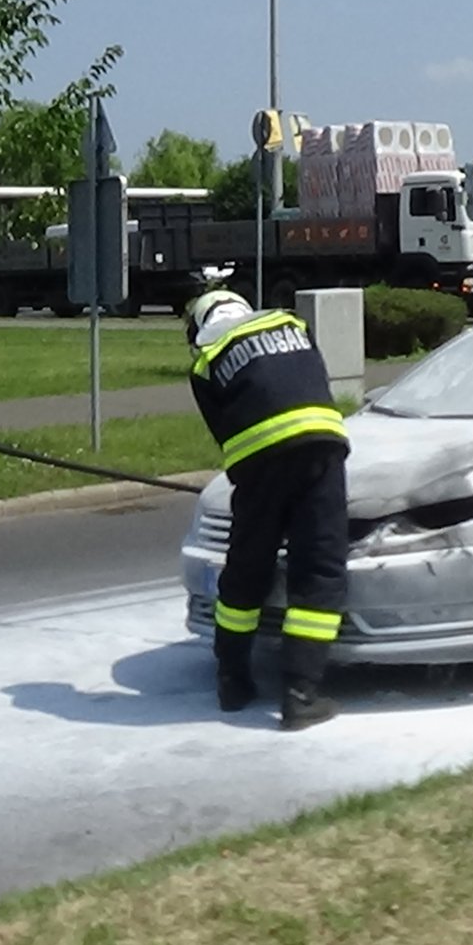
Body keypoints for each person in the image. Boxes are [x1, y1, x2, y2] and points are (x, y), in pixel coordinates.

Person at [186, 288, 349, 731]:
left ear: (200, 326)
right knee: (319, 570)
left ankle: (232, 682)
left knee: (246, 569)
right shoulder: (291, 324)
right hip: (321, 444)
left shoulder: (206, 360)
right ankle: (300, 696)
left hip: (258, 464)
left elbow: (225, 432)